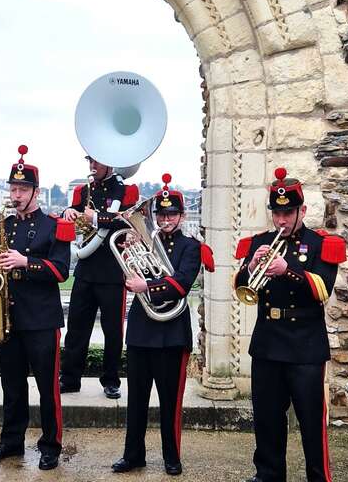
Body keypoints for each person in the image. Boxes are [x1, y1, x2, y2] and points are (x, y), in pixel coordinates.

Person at [234, 167, 346, 482]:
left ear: (302, 211)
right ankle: (268, 475)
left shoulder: (322, 244)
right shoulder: (259, 242)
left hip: (305, 346)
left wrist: (288, 269)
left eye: (288, 212)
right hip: (268, 343)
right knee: (267, 421)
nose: (282, 220)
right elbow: (241, 284)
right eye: (277, 213)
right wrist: (252, 266)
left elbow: (322, 288)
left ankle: (317, 477)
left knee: (311, 422)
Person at [112, 173, 214, 476]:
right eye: (160, 214)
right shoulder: (142, 241)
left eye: (171, 214)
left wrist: (149, 286)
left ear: (181, 216)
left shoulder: (191, 247)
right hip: (143, 330)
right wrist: (131, 259)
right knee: (137, 401)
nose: (165, 219)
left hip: (171, 333)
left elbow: (182, 284)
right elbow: (128, 279)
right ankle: (133, 455)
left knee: (171, 401)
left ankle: (172, 456)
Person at [0, 145, 75, 471]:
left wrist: (26, 262)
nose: (16, 194)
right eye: (13, 188)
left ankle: (50, 445)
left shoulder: (54, 226)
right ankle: (11, 442)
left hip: (41, 320)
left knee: (47, 387)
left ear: (36, 191)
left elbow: (61, 271)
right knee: (12, 385)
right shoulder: (4, 225)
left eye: (22, 189)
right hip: (10, 319)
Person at [60, 155, 136, 399]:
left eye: (97, 162)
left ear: (110, 163)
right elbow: (70, 214)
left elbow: (126, 221)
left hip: (113, 270)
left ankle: (111, 380)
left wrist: (94, 217)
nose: (92, 167)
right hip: (86, 268)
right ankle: (70, 378)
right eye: (90, 162)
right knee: (76, 328)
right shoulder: (84, 190)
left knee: (113, 331)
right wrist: (70, 211)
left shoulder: (126, 190)